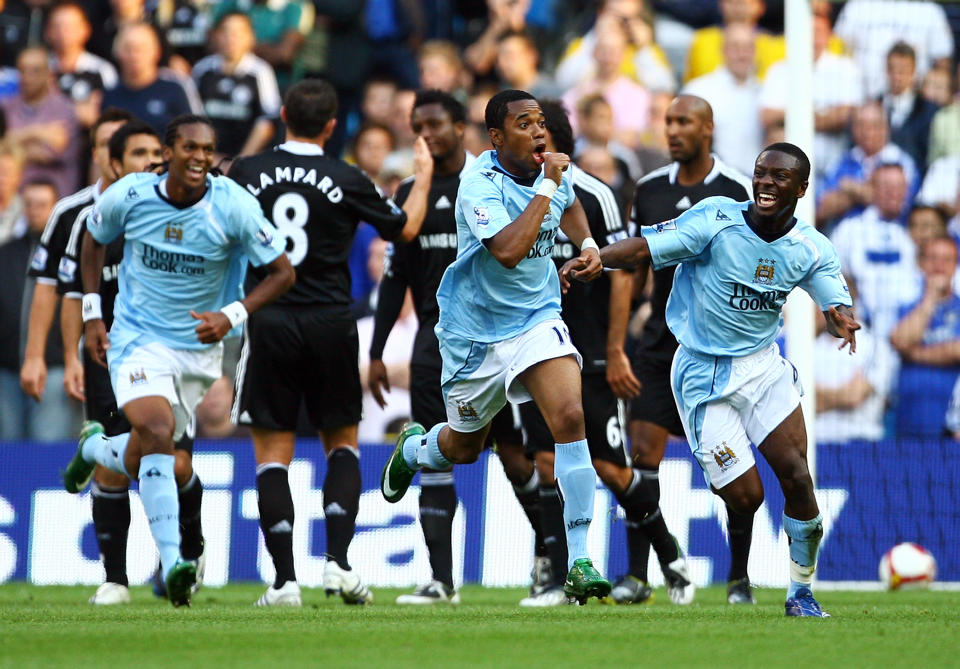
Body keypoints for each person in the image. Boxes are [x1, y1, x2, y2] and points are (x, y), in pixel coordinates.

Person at [571, 142, 859, 617]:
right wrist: (602, 258)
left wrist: (840, 318)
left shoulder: (811, 247)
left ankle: (801, 593)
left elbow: (834, 300)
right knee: (746, 495)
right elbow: (645, 246)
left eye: (779, 177)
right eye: (760, 173)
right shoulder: (716, 220)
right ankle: (731, 570)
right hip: (702, 374)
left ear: (801, 188)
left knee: (798, 476)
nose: (766, 183)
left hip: (762, 369)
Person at [379, 89, 611, 605]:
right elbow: (508, 251)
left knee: (569, 417)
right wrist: (547, 187)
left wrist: (590, 246)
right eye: (524, 123)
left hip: (537, 319)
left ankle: (579, 561)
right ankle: (415, 450)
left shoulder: (550, 172)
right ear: (497, 137)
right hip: (474, 335)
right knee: (464, 447)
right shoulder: (476, 185)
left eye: (541, 122)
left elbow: (572, 209)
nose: (538, 131)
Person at [62, 114, 295, 607]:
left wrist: (231, 315)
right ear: (168, 152)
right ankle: (175, 564)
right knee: (156, 432)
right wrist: (91, 314)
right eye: (190, 148)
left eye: (208, 150)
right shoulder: (131, 195)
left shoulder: (233, 205)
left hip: (198, 350)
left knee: (152, 450)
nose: (201, 158)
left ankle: (95, 451)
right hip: (137, 339)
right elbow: (93, 238)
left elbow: (282, 272)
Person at [227, 79, 429, 607]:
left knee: (272, 456)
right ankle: (338, 564)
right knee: (341, 444)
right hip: (331, 324)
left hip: (269, 320)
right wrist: (424, 175)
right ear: (334, 126)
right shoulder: (347, 177)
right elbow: (403, 231)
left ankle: (284, 582)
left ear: (284, 116)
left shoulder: (247, 173)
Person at [369, 89, 544, 605]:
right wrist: (377, 349)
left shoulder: (490, 182)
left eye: (437, 124)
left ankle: (549, 563)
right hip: (439, 340)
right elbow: (394, 276)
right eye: (418, 125)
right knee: (444, 456)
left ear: (460, 127)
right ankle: (442, 580)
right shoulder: (410, 192)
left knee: (516, 457)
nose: (427, 134)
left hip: (504, 335)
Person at [58, 120, 203, 606]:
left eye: (152, 153)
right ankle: (115, 578)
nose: (148, 162)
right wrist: (69, 351)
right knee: (125, 469)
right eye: (136, 154)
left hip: (168, 353)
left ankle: (182, 558)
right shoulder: (88, 218)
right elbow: (62, 289)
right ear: (114, 163)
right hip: (107, 351)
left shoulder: (178, 208)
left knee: (174, 460)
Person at [618, 94, 754, 605]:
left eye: (684, 122)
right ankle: (637, 575)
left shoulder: (737, 188)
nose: (672, 130)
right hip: (659, 349)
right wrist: (619, 337)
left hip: (720, 351)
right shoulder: (649, 190)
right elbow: (632, 269)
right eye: (668, 121)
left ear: (709, 128)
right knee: (642, 455)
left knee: (728, 467)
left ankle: (739, 578)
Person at [514, 98, 644, 607]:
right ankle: (556, 577)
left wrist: (614, 351)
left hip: (589, 354)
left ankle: (658, 562)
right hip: (533, 348)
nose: (532, 137)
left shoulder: (593, 193)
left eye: (536, 129)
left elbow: (620, 273)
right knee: (544, 462)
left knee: (612, 468)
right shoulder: (507, 190)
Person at [20, 110, 133, 425]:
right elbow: (47, 286)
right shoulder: (71, 212)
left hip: (146, 349)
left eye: (123, 143)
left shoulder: (154, 209)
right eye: (107, 144)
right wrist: (35, 356)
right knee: (103, 444)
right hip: (94, 353)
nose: (115, 152)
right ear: (95, 153)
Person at [890, 236, 960, 438]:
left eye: (947, 260)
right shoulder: (906, 305)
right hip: (908, 420)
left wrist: (912, 353)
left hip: (952, 427)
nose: (939, 266)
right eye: (933, 258)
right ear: (920, 263)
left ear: (956, 265)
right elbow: (901, 340)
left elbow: (957, 351)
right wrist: (930, 299)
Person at [192, 12, 281, 159]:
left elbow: (268, 121)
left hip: (246, 161)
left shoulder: (261, 72)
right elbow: (193, 116)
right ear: (215, 36)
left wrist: (240, 161)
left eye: (238, 33)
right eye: (225, 32)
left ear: (251, 37)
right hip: (206, 157)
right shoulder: (202, 69)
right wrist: (207, 156)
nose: (231, 38)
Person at [682, 23, 762, 175]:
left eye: (748, 47)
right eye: (735, 47)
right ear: (723, 50)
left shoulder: (765, 92)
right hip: (712, 183)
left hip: (756, 185)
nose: (742, 54)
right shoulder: (699, 90)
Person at [1, 45, 81, 198]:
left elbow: (53, 152)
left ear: (48, 74)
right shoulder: (6, 107)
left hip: (54, 199)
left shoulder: (64, 109)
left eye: (35, 70)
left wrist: (14, 145)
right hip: (13, 200)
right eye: (22, 70)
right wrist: (37, 132)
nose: (27, 76)